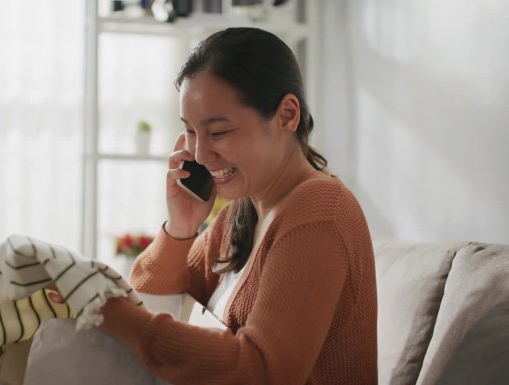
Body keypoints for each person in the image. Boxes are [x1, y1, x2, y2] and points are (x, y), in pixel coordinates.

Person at [86, 27, 376, 384]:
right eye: (190, 131)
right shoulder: (238, 215)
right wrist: (180, 229)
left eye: (218, 132)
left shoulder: (319, 210)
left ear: (287, 115)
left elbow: (265, 372)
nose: (198, 155)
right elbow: (154, 300)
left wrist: (121, 317)